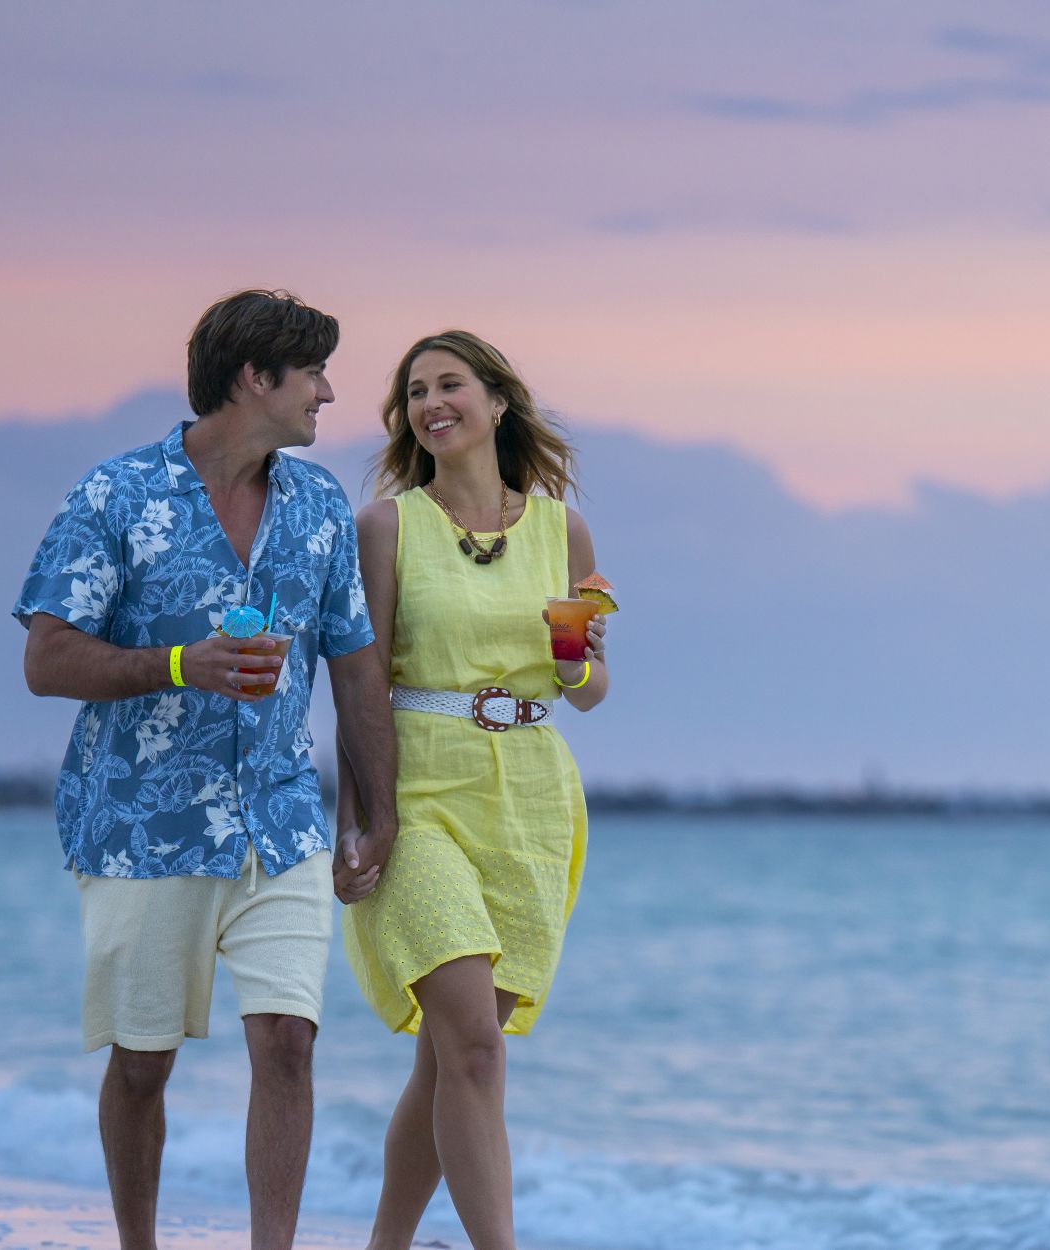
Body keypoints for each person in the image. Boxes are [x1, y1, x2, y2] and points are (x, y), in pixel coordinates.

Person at [13, 289, 400, 1250]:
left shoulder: (317, 506)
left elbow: (355, 666)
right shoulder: (117, 494)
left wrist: (375, 814)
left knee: (289, 1045)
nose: (328, 392)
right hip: (143, 826)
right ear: (252, 378)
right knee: (143, 1065)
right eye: (310, 372)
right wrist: (180, 664)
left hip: (280, 822)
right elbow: (46, 659)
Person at [337, 330, 609, 1250]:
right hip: (416, 789)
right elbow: (358, 679)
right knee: (475, 1049)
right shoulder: (386, 525)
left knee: (452, 1056)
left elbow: (586, 691)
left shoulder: (560, 528)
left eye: (449, 384)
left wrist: (579, 648)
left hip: (530, 793)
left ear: (498, 401)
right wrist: (355, 819)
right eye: (415, 391)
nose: (429, 403)